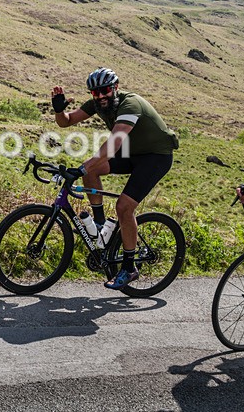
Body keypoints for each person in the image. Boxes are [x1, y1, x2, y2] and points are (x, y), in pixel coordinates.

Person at [51, 67, 179, 289]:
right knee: (92, 171)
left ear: (115, 87)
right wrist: (59, 111)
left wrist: (80, 169)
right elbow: (66, 122)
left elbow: (113, 145)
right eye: (95, 92)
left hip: (155, 156)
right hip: (132, 153)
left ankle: (129, 268)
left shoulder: (130, 104)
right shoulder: (98, 104)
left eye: (105, 90)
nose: (101, 96)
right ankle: (101, 226)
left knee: (123, 207)